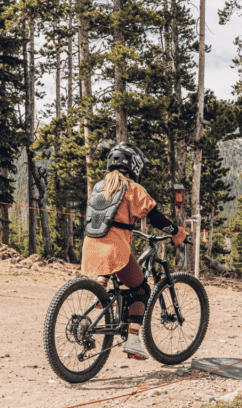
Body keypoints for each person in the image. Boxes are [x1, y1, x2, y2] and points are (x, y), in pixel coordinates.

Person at [81, 142, 188, 360]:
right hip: (115, 248)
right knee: (141, 290)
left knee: (114, 268)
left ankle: (100, 296)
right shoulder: (132, 188)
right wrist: (177, 232)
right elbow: (155, 217)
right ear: (134, 165)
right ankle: (132, 341)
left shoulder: (100, 186)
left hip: (91, 245)